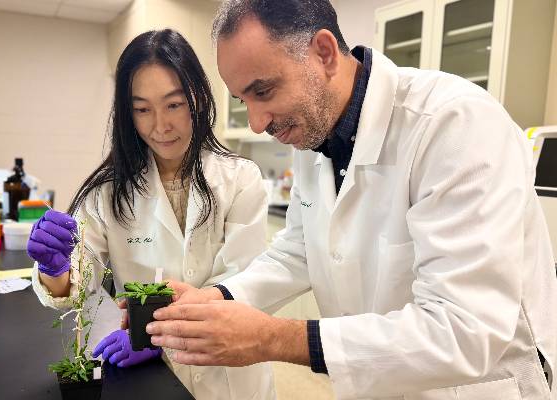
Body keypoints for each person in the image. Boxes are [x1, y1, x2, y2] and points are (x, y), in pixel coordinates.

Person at [144, 1, 557, 399]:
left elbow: (465, 329)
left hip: (475, 389)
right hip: (383, 386)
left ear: (323, 53)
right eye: (244, 101)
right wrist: (216, 299)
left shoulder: (455, 123)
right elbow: (298, 250)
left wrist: (272, 338)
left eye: (264, 91)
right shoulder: (313, 136)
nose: (256, 122)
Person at [26, 29, 276, 400]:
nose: (160, 126)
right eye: (142, 109)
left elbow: (243, 283)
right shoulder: (108, 192)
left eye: (173, 105)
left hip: (230, 377)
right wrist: (55, 268)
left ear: (198, 98)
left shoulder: (240, 178)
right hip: (150, 380)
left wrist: (159, 336)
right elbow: (79, 281)